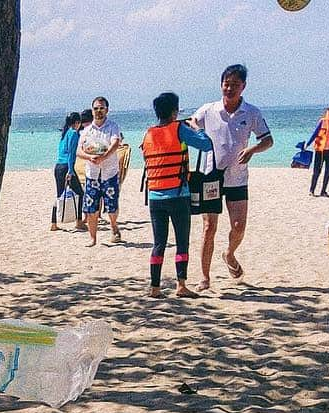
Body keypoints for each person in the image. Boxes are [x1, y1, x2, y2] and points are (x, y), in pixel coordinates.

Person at [190, 64, 273, 288]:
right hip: (211, 177)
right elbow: (190, 123)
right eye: (226, 84)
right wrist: (197, 133)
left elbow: (268, 140)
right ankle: (205, 277)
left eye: (235, 85)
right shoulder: (208, 110)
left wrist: (253, 150)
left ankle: (229, 254)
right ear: (221, 85)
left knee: (238, 226)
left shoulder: (252, 112)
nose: (230, 89)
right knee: (209, 228)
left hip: (238, 178)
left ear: (243, 87)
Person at [140, 92, 215, 299]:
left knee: (159, 243)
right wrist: (196, 128)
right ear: (174, 112)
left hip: (155, 196)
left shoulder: (147, 134)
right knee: (182, 242)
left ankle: (155, 287)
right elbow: (206, 145)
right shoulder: (180, 128)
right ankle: (181, 285)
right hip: (178, 194)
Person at [77, 96, 123, 245]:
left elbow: (115, 143)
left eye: (101, 108)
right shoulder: (86, 130)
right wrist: (89, 157)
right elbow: (78, 150)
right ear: (92, 110)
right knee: (91, 208)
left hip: (109, 172)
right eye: (96, 108)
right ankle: (93, 238)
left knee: (111, 206)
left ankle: (114, 227)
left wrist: (104, 157)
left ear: (107, 110)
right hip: (92, 173)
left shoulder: (113, 126)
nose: (98, 111)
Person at [50, 111, 85, 231]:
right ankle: (79, 221)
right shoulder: (74, 134)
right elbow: (71, 154)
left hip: (58, 166)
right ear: (77, 123)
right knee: (80, 194)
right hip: (66, 167)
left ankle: (53, 223)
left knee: (59, 195)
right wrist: (70, 171)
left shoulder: (64, 133)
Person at [309, 104, 329, 196]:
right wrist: (308, 144)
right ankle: (312, 190)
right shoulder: (322, 122)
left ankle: (323, 191)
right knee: (317, 171)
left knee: (328, 171)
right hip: (320, 150)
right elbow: (315, 133)